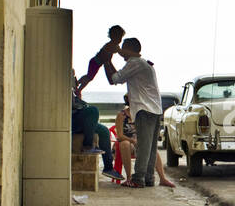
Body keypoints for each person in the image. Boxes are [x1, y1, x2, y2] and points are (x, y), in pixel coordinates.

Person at [103, 36, 162, 188]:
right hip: (155, 109)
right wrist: (113, 56)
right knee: (150, 146)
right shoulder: (144, 64)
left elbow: (114, 79)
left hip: (144, 109)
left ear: (130, 50)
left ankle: (138, 179)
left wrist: (106, 60)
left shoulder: (135, 63)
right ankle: (149, 178)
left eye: (124, 48)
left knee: (143, 145)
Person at [114, 95, 174, 188]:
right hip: (128, 141)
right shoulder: (122, 115)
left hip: (141, 142)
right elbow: (120, 135)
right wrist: (132, 140)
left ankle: (162, 178)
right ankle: (129, 178)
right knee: (125, 144)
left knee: (152, 149)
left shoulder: (143, 115)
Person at [71, 72, 117, 178]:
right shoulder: (65, 88)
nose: (76, 80)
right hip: (71, 120)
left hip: (77, 118)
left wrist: (78, 96)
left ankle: (108, 168)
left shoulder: (73, 91)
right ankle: (87, 146)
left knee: (104, 131)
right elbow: (72, 106)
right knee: (93, 110)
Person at [75, 24, 125, 96]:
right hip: (95, 62)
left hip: (96, 62)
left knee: (89, 77)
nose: (120, 40)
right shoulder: (110, 45)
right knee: (89, 77)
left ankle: (78, 85)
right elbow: (118, 52)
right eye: (119, 37)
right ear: (114, 37)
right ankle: (78, 86)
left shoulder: (114, 45)